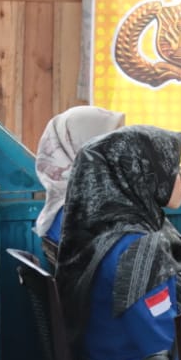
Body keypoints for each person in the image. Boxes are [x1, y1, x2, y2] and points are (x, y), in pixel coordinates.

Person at [56, 125, 181, 360]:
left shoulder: (99, 234)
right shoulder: (138, 252)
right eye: (176, 169)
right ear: (141, 175)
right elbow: (163, 348)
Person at [33, 105, 126, 266]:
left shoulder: (65, 208)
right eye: (111, 143)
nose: (122, 151)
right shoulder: (84, 216)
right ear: (83, 150)